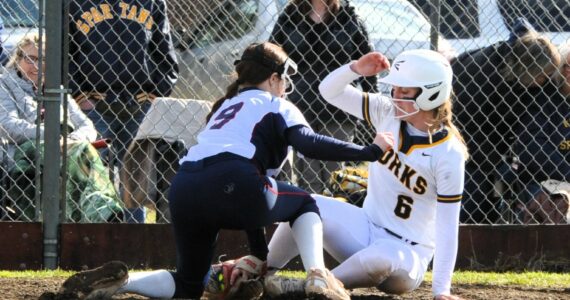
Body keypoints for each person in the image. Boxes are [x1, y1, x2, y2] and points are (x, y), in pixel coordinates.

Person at [57, 42, 392, 300]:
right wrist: (369, 151)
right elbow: (310, 144)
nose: (284, 86)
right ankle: (319, 275)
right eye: (283, 80)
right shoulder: (275, 104)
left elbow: (247, 189)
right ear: (274, 78)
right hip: (234, 181)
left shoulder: (223, 106)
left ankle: (123, 285)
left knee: (189, 284)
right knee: (304, 202)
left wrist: (260, 257)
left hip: (185, 188)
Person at [264, 49, 468, 300]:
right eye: (394, 89)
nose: (395, 96)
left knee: (382, 255)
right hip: (366, 228)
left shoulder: (449, 153)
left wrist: (441, 291)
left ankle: (319, 286)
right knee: (306, 205)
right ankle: (259, 272)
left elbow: (448, 226)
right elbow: (329, 91)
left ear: (432, 93)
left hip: (408, 255)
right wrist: (355, 69)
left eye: (405, 92)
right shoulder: (387, 112)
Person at [68, 0, 179, 222]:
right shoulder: (74, 3)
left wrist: (154, 94)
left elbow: (164, 50)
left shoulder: (152, 2)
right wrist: (79, 95)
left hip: (139, 103)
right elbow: (66, 53)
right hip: (93, 104)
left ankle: (133, 237)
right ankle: (95, 232)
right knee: (94, 173)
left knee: (135, 177)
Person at [0, 34, 122, 222]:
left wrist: (71, 140)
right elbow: (8, 125)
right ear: (17, 59)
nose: (37, 66)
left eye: (43, 59)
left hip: (68, 148)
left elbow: (86, 125)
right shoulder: (4, 84)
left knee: (82, 148)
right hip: (25, 151)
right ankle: (101, 210)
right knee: (81, 151)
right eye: (30, 58)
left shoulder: (57, 88)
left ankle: (91, 212)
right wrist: (52, 136)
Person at [451, 22, 561, 223]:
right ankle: (473, 229)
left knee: (500, 178)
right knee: (479, 185)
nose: (546, 81)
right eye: (543, 76)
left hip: (485, 128)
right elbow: (469, 130)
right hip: (466, 130)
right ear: (528, 73)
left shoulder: (520, 57)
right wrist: (498, 163)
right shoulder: (486, 77)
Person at [270, 0, 378, 193]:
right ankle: (309, 218)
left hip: (339, 106)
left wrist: (373, 109)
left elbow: (368, 63)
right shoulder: (290, 15)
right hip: (300, 104)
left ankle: (333, 218)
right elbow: (272, 55)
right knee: (307, 176)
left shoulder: (349, 17)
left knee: (334, 176)